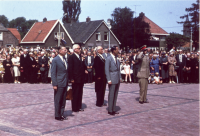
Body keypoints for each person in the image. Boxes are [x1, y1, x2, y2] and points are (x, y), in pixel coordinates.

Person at [51, 46, 68, 121]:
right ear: (60, 51)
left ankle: (61, 113)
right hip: (59, 82)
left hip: (65, 82)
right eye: (65, 50)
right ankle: (57, 115)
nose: (66, 51)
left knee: (63, 99)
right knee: (58, 99)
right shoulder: (55, 60)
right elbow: (53, 73)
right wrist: (54, 84)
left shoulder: (65, 59)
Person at [68, 44, 86, 112]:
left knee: (80, 93)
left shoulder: (79, 56)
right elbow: (70, 68)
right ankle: (75, 108)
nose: (80, 49)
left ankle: (79, 106)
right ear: (75, 49)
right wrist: (71, 78)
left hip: (81, 78)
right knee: (75, 93)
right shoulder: (71, 57)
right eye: (78, 48)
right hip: (75, 79)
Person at [105, 46, 121, 116]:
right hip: (112, 78)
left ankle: (113, 109)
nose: (118, 51)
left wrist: (120, 77)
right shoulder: (109, 58)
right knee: (111, 94)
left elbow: (118, 69)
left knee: (115, 94)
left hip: (117, 78)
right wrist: (108, 79)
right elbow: (106, 70)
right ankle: (110, 110)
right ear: (114, 51)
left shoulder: (116, 58)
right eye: (117, 50)